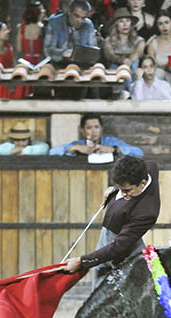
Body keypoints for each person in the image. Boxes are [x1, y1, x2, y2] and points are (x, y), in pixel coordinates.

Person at [64, 155, 160, 289]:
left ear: (143, 183)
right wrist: (114, 190)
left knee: (102, 288)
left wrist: (82, 262)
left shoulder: (147, 212)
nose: (123, 194)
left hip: (118, 243)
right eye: (121, 189)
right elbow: (150, 164)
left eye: (127, 190)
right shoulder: (149, 169)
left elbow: (117, 247)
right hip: (120, 236)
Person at [49, 114, 144, 156]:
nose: (93, 131)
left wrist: (114, 150)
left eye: (96, 127)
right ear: (82, 130)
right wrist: (75, 148)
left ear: (101, 129)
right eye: (89, 128)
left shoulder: (111, 142)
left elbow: (139, 152)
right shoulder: (78, 144)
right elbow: (52, 152)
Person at [103, 7, 146, 95]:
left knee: (134, 65)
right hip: (116, 69)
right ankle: (120, 93)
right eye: (121, 21)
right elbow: (110, 55)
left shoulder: (139, 40)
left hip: (132, 70)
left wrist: (129, 61)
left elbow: (138, 52)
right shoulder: (108, 41)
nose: (125, 24)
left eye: (127, 21)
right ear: (116, 25)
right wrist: (122, 61)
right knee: (115, 67)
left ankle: (131, 93)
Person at [44, 0, 98, 66]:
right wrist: (63, 53)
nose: (80, 21)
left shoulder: (88, 24)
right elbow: (47, 50)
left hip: (81, 66)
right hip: (58, 65)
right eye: (76, 16)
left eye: (83, 18)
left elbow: (93, 51)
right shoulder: (54, 22)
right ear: (69, 12)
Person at [0, 22, 29, 99]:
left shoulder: (9, 47)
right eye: (4, 30)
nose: (8, 32)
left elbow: (13, 64)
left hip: (10, 78)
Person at [18, 1, 46, 66]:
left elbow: (19, 48)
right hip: (40, 62)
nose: (44, 11)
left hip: (26, 61)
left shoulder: (22, 27)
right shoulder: (42, 27)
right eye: (41, 9)